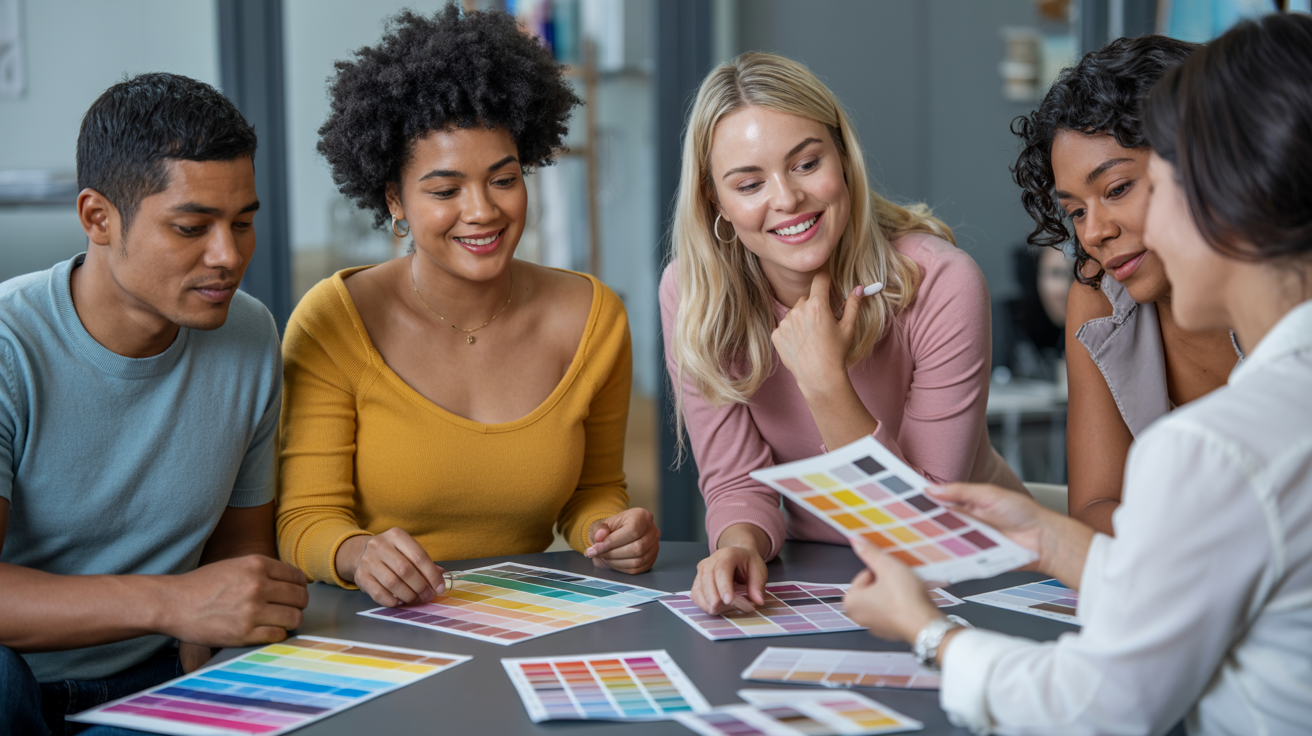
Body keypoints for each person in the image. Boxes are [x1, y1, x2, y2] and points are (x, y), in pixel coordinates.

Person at [844, 14, 1312, 734]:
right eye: (1073, 212)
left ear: (1233, 193)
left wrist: (925, 631)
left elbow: (1106, 705)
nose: (1092, 235)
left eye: (1153, 186)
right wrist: (1049, 535)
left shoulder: (1213, 449)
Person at [276, 6, 658, 609]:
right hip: (381, 627)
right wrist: (358, 553)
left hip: (526, 617)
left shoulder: (592, 318)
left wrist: (610, 534)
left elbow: (595, 491)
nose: (482, 211)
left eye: (504, 180)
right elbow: (304, 520)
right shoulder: (333, 321)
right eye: (445, 191)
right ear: (394, 199)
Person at [661, 52, 1026, 616]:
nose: (785, 199)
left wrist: (826, 383)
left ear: (843, 157)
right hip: (826, 575)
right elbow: (735, 481)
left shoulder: (942, 282)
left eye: (806, 164)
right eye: (749, 183)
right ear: (717, 202)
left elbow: (919, 536)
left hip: (979, 574)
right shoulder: (694, 295)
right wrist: (738, 545)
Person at [0, 73, 308, 735]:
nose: (228, 256)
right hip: (13, 680)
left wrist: (220, 642)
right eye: (192, 227)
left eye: (244, 223)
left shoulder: (250, 333)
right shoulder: (8, 345)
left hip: (156, 681)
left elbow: (240, 559)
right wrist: (173, 602)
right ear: (97, 218)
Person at [1011, 35, 1241, 535]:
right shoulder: (1097, 298)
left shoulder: (1284, 284)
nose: (1093, 233)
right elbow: (1094, 506)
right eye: (1075, 211)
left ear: (1201, 164)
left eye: (1117, 190)